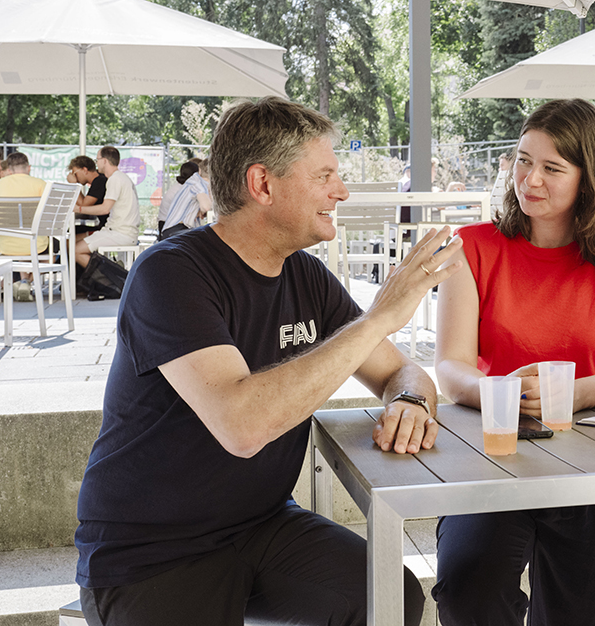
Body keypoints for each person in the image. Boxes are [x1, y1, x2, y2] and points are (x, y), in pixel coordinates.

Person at [74, 97, 462, 626]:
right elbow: (243, 426)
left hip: (261, 524)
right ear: (262, 184)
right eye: (324, 176)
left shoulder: (306, 275)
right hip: (152, 549)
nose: (341, 191)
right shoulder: (170, 273)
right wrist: (376, 319)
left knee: (389, 598)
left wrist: (411, 400)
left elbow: (401, 371)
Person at [432, 98, 595, 626]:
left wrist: (571, 394)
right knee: (469, 592)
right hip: (493, 451)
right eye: (523, 160)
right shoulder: (471, 247)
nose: (529, 179)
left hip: (593, 460)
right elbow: (451, 367)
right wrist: (500, 391)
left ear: (588, 179)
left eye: (552, 168)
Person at [0, 152, 48, 302]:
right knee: (52, 255)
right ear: (29, 168)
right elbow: (49, 210)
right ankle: (26, 282)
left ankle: (23, 281)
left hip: (7, 245)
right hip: (36, 244)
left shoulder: (1, 184)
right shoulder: (40, 184)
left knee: (21, 244)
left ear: (9, 170)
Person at [73, 146, 140, 269]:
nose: (96, 164)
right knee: (79, 247)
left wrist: (79, 209)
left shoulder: (115, 179)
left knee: (76, 250)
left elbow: (105, 209)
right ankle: (112, 272)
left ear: (104, 161)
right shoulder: (121, 177)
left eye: (97, 160)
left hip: (120, 233)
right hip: (122, 232)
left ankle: (109, 277)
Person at [158, 161, 211, 240]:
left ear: (200, 170)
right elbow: (206, 207)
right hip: (176, 231)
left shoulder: (193, 181)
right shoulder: (198, 184)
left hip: (173, 230)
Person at [67, 156, 109, 236]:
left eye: (75, 174)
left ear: (85, 170)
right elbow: (85, 203)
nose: (75, 177)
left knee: (72, 236)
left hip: (108, 228)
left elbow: (83, 205)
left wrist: (74, 185)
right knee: (74, 230)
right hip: (104, 225)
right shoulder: (98, 180)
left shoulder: (99, 181)